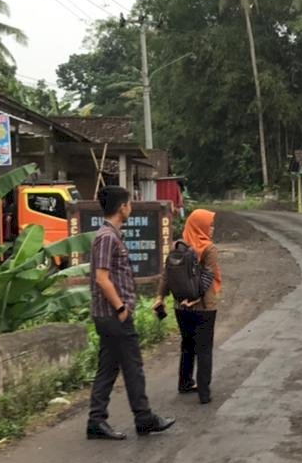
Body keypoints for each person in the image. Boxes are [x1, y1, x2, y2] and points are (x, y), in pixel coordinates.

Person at [86, 185, 175, 440]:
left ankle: (96, 420)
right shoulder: (107, 237)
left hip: (111, 316)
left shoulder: (112, 235)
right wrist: (121, 307)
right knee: (133, 366)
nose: (131, 208)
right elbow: (102, 278)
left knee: (108, 367)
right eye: (129, 204)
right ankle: (144, 418)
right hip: (113, 315)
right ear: (122, 207)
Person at [155, 209, 222, 405]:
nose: (212, 229)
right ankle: (204, 392)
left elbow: (167, 274)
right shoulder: (209, 248)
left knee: (187, 345)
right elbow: (209, 275)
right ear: (200, 226)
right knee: (204, 348)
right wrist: (196, 297)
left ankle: (184, 383)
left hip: (180, 306)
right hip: (203, 306)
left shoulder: (178, 245)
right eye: (209, 225)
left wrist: (160, 296)